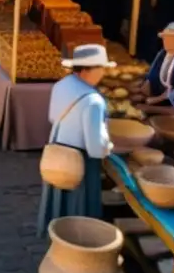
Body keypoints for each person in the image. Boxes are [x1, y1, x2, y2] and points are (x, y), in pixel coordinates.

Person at [36, 45, 115, 236]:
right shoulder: (93, 101)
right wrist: (109, 146)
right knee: (80, 207)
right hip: (80, 161)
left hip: (58, 151)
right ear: (87, 70)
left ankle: (56, 233)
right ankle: (78, 241)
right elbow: (95, 148)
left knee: (58, 202)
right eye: (101, 68)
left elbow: (53, 117)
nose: (103, 73)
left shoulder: (61, 85)